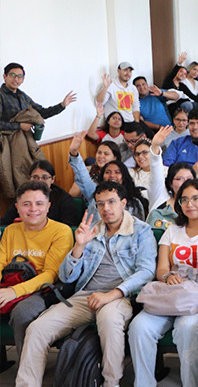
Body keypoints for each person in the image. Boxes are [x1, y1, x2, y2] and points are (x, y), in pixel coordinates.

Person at [16, 181, 157, 387]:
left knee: (109, 319)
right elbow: (66, 277)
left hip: (120, 296)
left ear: (123, 203)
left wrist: (112, 294)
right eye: (100, 204)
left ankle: (111, 383)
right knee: (37, 329)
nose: (106, 208)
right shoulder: (92, 231)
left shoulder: (141, 231)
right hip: (86, 296)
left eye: (111, 202)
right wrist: (79, 246)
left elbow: (146, 271)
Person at [129, 180, 198, 387]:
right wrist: (167, 277)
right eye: (184, 199)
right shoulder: (172, 230)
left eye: (196, 198)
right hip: (172, 295)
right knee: (139, 326)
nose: (189, 204)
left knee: (187, 327)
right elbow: (162, 269)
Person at [0, 181, 73, 353]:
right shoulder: (11, 230)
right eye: (26, 204)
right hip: (12, 281)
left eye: (39, 203)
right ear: (17, 207)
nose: (33, 209)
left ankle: (27, 365)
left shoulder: (61, 231)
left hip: (44, 289)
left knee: (22, 312)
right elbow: (1, 263)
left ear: (48, 206)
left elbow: (51, 274)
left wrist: (14, 292)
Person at [68, 131, 148, 221]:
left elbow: (139, 227)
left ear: (124, 177)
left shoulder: (134, 202)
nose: (112, 175)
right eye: (108, 172)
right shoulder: (95, 193)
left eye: (117, 172)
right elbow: (83, 177)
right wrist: (74, 152)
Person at [1, 160, 80, 227]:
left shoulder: (64, 199)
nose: (40, 181)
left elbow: (68, 228)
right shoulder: (24, 196)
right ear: (29, 178)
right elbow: (5, 222)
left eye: (45, 177)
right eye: (35, 177)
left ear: (53, 179)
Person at [0, 62, 76, 132]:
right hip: (6, 139)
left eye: (19, 76)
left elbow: (42, 113)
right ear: (4, 76)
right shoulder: (1, 95)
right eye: (12, 75)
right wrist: (19, 126)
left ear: (23, 79)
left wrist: (62, 105)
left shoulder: (22, 96)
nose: (16, 79)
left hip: (24, 138)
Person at [146, 126, 196, 230]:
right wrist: (155, 147)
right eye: (179, 179)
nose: (185, 183)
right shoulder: (160, 195)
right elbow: (156, 169)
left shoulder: (197, 205)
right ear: (170, 183)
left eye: (189, 179)